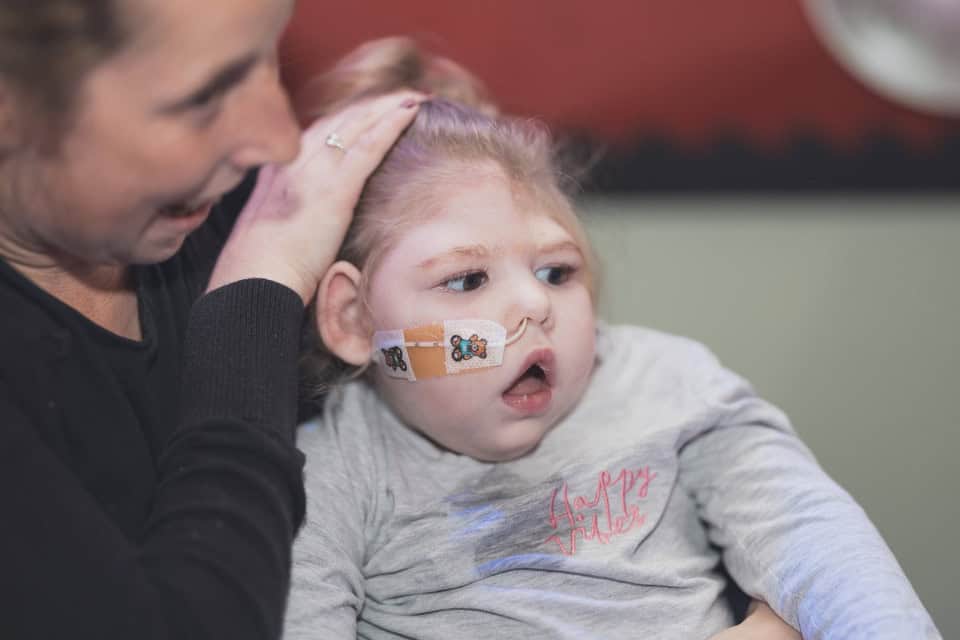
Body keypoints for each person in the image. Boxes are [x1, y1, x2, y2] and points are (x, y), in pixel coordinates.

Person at [284, 38, 942, 639]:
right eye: (466, 280)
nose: (534, 304)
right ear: (355, 320)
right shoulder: (328, 476)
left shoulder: (666, 384)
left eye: (556, 272)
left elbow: (815, 539)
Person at [0, 2, 421, 638]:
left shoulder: (219, 202)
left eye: (267, 56)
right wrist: (258, 295)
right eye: (203, 98)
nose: (281, 140)